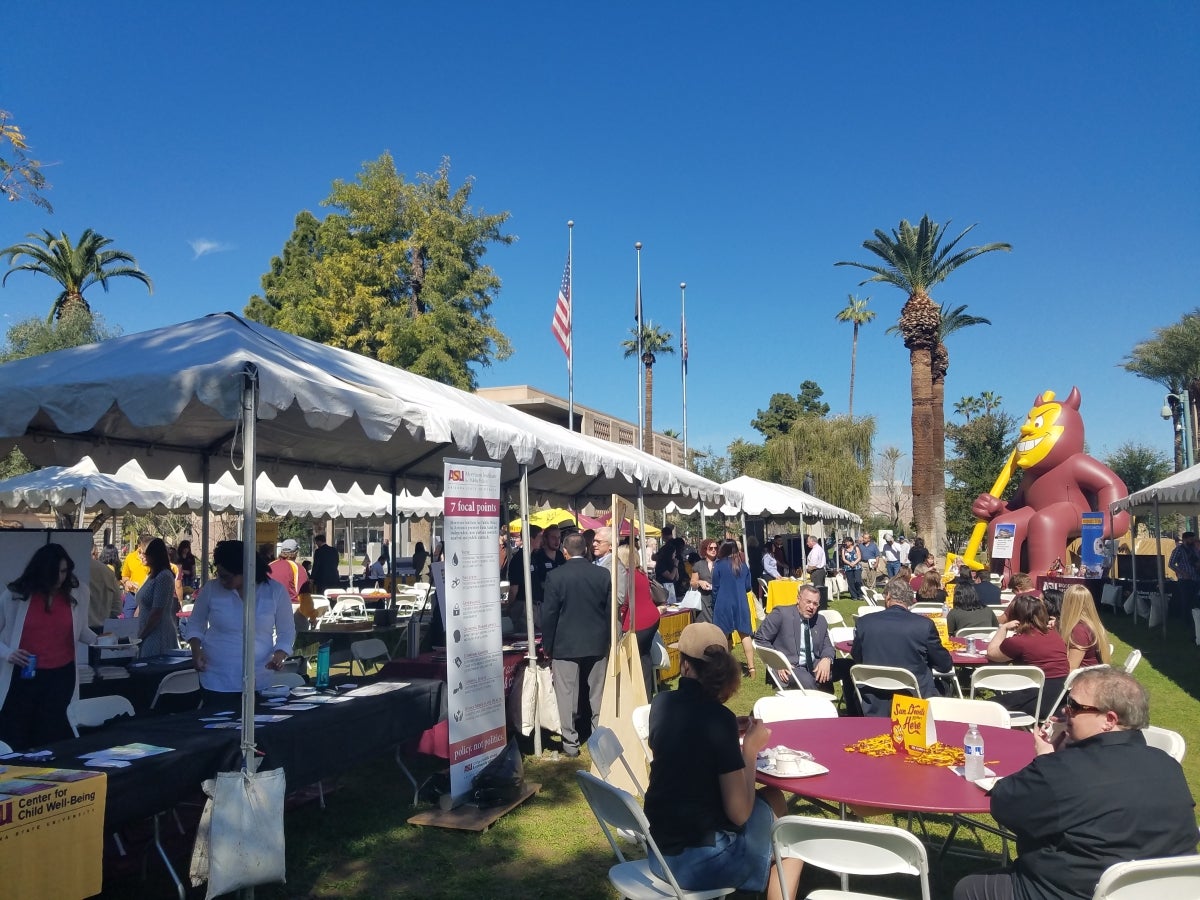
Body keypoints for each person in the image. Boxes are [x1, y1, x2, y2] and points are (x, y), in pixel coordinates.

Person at [953, 669, 1197, 900]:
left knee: (969, 888)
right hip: (1163, 891)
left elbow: (1005, 804)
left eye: (1075, 707)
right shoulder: (1168, 764)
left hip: (1071, 891)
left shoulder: (1062, 770)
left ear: (1109, 720)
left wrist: (1047, 759)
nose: (1065, 712)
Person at [643, 622, 802, 900]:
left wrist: (728, 731)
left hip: (659, 851)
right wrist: (749, 750)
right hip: (698, 862)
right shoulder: (719, 721)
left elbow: (684, 753)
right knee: (793, 840)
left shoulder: (661, 704)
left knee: (775, 796)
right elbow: (739, 813)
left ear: (685, 666)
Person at [0, 543, 97, 749]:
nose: (59, 578)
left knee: (54, 736)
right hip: (24, 674)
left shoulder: (78, 593)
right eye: (54, 572)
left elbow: (79, 630)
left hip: (61, 675)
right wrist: (8, 653)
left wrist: (103, 641)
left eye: (63, 572)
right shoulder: (15, 595)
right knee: (17, 735)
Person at [187, 541, 295, 710]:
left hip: (259, 676)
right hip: (217, 677)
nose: (221, 580)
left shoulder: (275, 591)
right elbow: (195, 623)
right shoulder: (211, 589)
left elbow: (287, 631)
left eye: (226, 576)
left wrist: (279, 655)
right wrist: (196, 650)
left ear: (245, 571)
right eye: (219, 574)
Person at [542, 532, 612, 757]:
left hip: (566, 644)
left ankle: (570, 743)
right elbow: (610, 611)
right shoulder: (603, 574)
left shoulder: (556, 576)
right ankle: (599, 738)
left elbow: (549, 615)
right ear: (586, 549)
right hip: (597, 642)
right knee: (597, 694)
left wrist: (547, 645)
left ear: (565, 551)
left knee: (566, 695)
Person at [849, 577, 952, 716]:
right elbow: (944, 665)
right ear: (910, 600)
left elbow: (857, 657)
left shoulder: (865, 623)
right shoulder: (923, 626)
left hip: (874, 700)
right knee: (945, 685)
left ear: (888, 597)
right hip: (914, 702)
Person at [986, 593, 1069, 721]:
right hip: (1060, 699)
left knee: (987, 706)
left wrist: (1003, 628)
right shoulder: (1055, 634)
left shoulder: (1018, 641)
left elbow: (991, 653)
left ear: (1016, 616)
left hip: (1037, 701)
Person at [754, 584, 849, 693]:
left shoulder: (820, 620)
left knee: (849, 666)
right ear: (798, 599)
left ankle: (854, 708)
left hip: (815, 665)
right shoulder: (781, 614)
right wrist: (778, 663)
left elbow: (827, 645)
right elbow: (760, 638)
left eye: (815, 604)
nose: (811, 607)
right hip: (791, 667)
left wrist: (827, 659)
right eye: (808, 602)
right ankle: (819, 708)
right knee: (808, 681)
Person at [616, 543, 660, 700]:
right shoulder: (639, 573)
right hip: (651, 620)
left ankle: (634, 696)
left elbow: (625, 602)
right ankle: (646, 695)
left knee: (631, 661)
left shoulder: (627, 575)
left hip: (637, 623)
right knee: (644, 657)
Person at [712, 539, 755, 678]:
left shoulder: (718, 565)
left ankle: (723, 669)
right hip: (741, 603)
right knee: (745, 635)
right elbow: (748, 587)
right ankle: (752, 668)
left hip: (723, 603)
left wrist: (714, 604)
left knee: (722, 637)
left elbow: (715, 587)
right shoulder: (743, 566)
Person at [136, 538, 180, 657]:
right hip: (146, 632)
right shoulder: (150, 575)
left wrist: (141, 636)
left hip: (158, 634)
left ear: (154, 555)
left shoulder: (164, 577)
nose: (140, 556)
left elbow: (157, 612)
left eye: (144, 553)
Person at [1058, 584, 1112, 670]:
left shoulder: (1079, 630)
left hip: (1085, 678)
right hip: (1095, 675)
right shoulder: (1093, 624)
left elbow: (1071, 668)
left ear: (1068, 603)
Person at [504, 525, 541, 636]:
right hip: (523, 607)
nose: (542, 541)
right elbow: (514, 588)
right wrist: (510, 606)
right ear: (530, 538)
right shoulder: (518, 559)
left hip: (535, 606)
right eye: (539, 537)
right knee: (525, 637)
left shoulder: (533, 557)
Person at [120, 532, 153, 618]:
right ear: (138, 546)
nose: (142, 555)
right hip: (132, 595)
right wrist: (127, 582)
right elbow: (124, 576)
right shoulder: (130, 558)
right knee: (127, 619)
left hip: (147, 596)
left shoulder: (153, 562)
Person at [88, 548, 121, 628]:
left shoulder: (71, 569)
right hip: (103, 627)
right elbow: (117, 608)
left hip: (76, 629)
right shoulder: (108, 572)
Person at [689, 537, 718, 624]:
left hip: (717, 599)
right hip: (703, 601)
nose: (713, 550)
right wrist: (699, 582)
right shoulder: (699, 565)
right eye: (711, 548)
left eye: (715, 548)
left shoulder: (720, 563)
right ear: (705, 549)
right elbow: (692, 583)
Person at [268, 538, 303, 604]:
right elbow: (304, 594)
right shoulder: (297, 568)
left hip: (269, 607)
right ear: (296, 553)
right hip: (291, 607)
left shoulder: (270, 565)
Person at [839, 536, 864, 601]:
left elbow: (859, 557)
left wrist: (854, 563)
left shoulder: (856, 548)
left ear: (851, 542)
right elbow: (843, 559)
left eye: (847, 542)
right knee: (851, 582)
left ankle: (860, 594)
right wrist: (849, 563)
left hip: (856, 566)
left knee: (858, 581)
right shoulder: (844, 549)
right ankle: (854, 596)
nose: (846, 543)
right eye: (845, 542)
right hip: (848, 567)